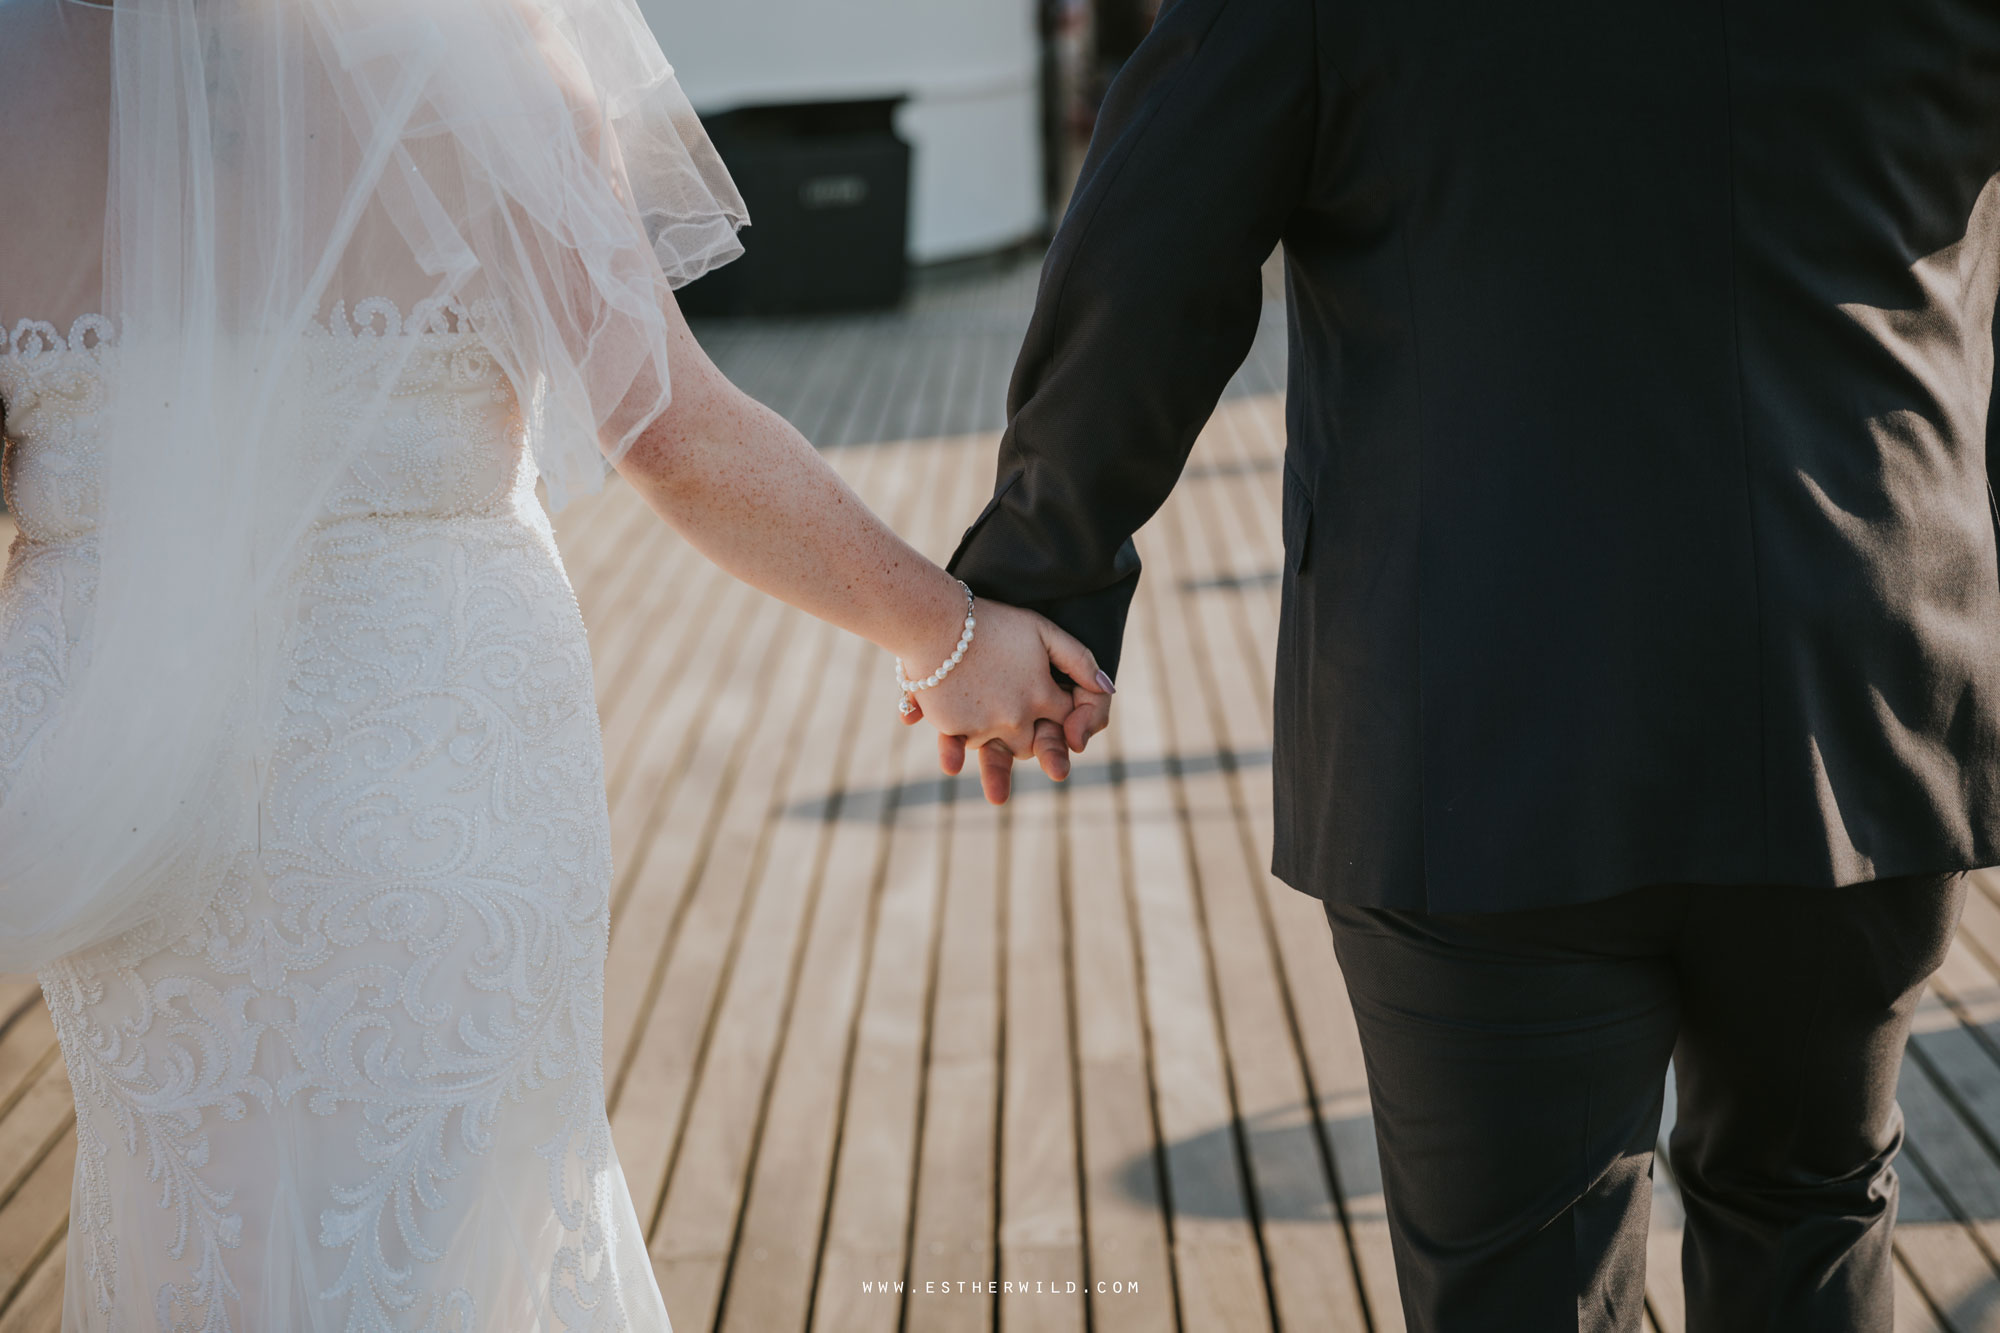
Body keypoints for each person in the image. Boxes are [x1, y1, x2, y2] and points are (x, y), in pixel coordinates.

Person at [0, 0, 1099, 1327]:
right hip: (434, 763)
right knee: (452, 1235)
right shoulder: (480, 54)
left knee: (201, 1227)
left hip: (126, 797)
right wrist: (951, 629)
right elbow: (673, 433)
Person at [946, 0, 2000, 1328]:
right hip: (1863, 672)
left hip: (1479, 705)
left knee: (1521, 1276)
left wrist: (1040, 567)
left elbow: (1152, 242)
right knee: (1813, 1209)